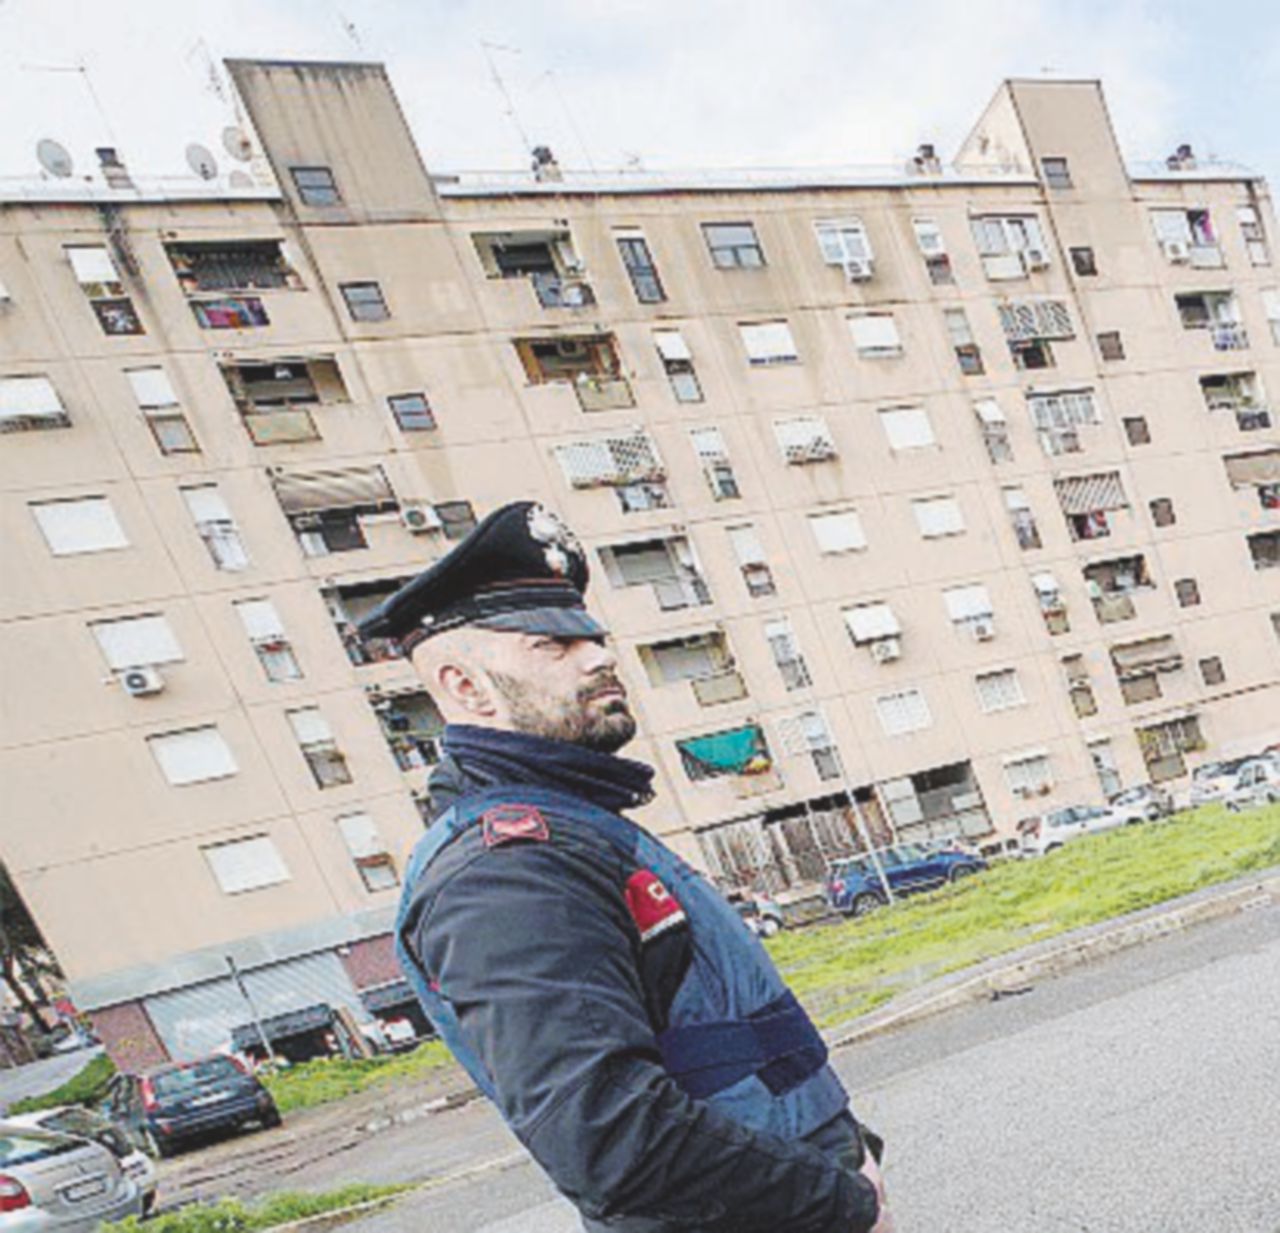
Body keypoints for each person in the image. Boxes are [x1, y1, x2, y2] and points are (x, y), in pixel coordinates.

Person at [361, 501, 892, 1232]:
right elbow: (611, 1137)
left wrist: (850, 1153)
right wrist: (842, 1204)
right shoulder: (505, 870)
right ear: (464, 686)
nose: (598, 657)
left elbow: (736, 1045)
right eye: (552, 645)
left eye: (592, 637)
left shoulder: (576, 827)